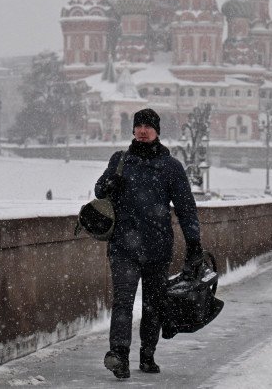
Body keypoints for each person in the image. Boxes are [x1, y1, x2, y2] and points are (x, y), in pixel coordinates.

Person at [95, 108, 203, 379]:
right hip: (123, 247)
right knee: (123, 302)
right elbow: (98, 191)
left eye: (148, 126)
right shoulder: (120, 160)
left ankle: (147, 354)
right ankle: (119, 355)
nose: (142, 130)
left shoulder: (171, 167)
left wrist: (194, 243)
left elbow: (186, 208)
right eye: (138, 125)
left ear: (157, 131)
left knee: (153, 305)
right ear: (132, 130)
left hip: (157, 248)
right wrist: (110, 181)